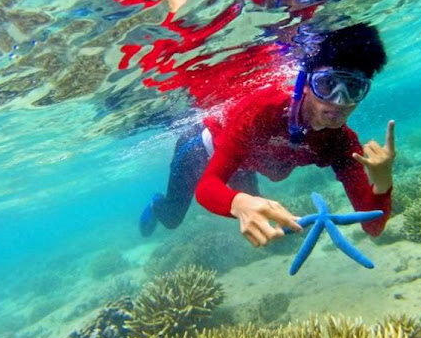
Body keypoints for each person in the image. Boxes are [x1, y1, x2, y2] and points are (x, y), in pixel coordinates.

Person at [139, 22, 395, 248]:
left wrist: (383, 182)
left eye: (354, 88)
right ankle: (155, 205)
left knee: (262, 218)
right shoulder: (262, 112)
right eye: (327, 84)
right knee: (173, 219)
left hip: (243, 160)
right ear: (305, 83)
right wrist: (237, 204)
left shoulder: (341, 143)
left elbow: (372, 227)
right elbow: (207, 187)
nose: (339, 102)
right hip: (203, 146)